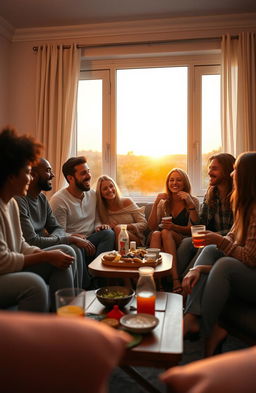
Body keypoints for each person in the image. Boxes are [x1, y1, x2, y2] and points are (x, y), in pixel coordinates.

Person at [182, 152, 256, 356]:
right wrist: (200, 267)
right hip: (245, 269)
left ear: (247, 175)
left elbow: (250, 258)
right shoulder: (242, 203)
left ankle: (208, 332)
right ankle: (191, 318)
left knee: (224, 264)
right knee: (210, 249)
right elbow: (231, 237)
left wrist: (219, 240)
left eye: (236, 170)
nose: (233, 174)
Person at [0, 128, 74, 312]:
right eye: (27, 172)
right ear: (10, 176)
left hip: (10, 268)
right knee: (34, 284)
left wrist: (52, 253)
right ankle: (38, 336)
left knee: (64, 250)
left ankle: (66, 321)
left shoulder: (11, 204)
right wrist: (46, 255)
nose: (30, 178)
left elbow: (21, 245)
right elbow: (3, 261)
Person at [15, 158, 93, 289]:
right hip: (31, 252)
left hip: (42, 244)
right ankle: (72, 300)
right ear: (33, 175)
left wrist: (54, 239)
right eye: (48, 170)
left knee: (75, 248)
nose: (52, 175)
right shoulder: (19, 201)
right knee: (68, 248)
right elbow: (32, 241)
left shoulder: (42, 198)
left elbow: (56, 227)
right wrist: (68, 238)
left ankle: (80, 293)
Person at [177, 153, 236, 276]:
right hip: (212, 237)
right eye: (209, 168)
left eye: (214, 169)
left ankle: (185, 282)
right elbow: (200, 225)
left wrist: (212, 236)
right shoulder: (211, 193)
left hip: (230, 241)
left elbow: (236, 231)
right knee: (186, 242)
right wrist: (191, 206)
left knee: (204, 245)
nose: (209, 172)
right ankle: (173, 280)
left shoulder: (238, 196)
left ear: (228, 171)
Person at [50, 156, 115, 263]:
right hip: (74, 243)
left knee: (108, 233)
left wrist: (99, 226)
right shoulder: (59, 200)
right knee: (75, 248)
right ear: (70, 178)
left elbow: (96, 219)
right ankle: (94, 277)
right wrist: (73, 237)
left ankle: (99, 273)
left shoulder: (93, 195)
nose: (88, 176)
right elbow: (58, 232)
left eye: (88, 172)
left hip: (92, 238)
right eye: (83, 173)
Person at [148, 168, 199, 293]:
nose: (174, 183)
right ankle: (158, 282)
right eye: (171, 180)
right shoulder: (164, 203)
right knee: (155, 234)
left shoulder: (192, 201)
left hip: (181, 238)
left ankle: (175, 279)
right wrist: (155, 203)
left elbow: (194, 229)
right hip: (163, 238)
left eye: (178, 180)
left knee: (165, 232)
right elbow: (152, 226)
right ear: (167, 183)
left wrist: (173, 227)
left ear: (185, 183)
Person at [96, 175, 147, 247]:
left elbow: (144, 224)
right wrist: (105, 227)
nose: (110, 190)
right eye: (105, 189)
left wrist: (124, 227)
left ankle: (119, 256)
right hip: (112, 241)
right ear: (100, 193)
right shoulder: (100, 208)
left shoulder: (127, 202)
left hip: (134, 241)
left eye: (111, 186)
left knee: (119, 229)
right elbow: (98, 226)